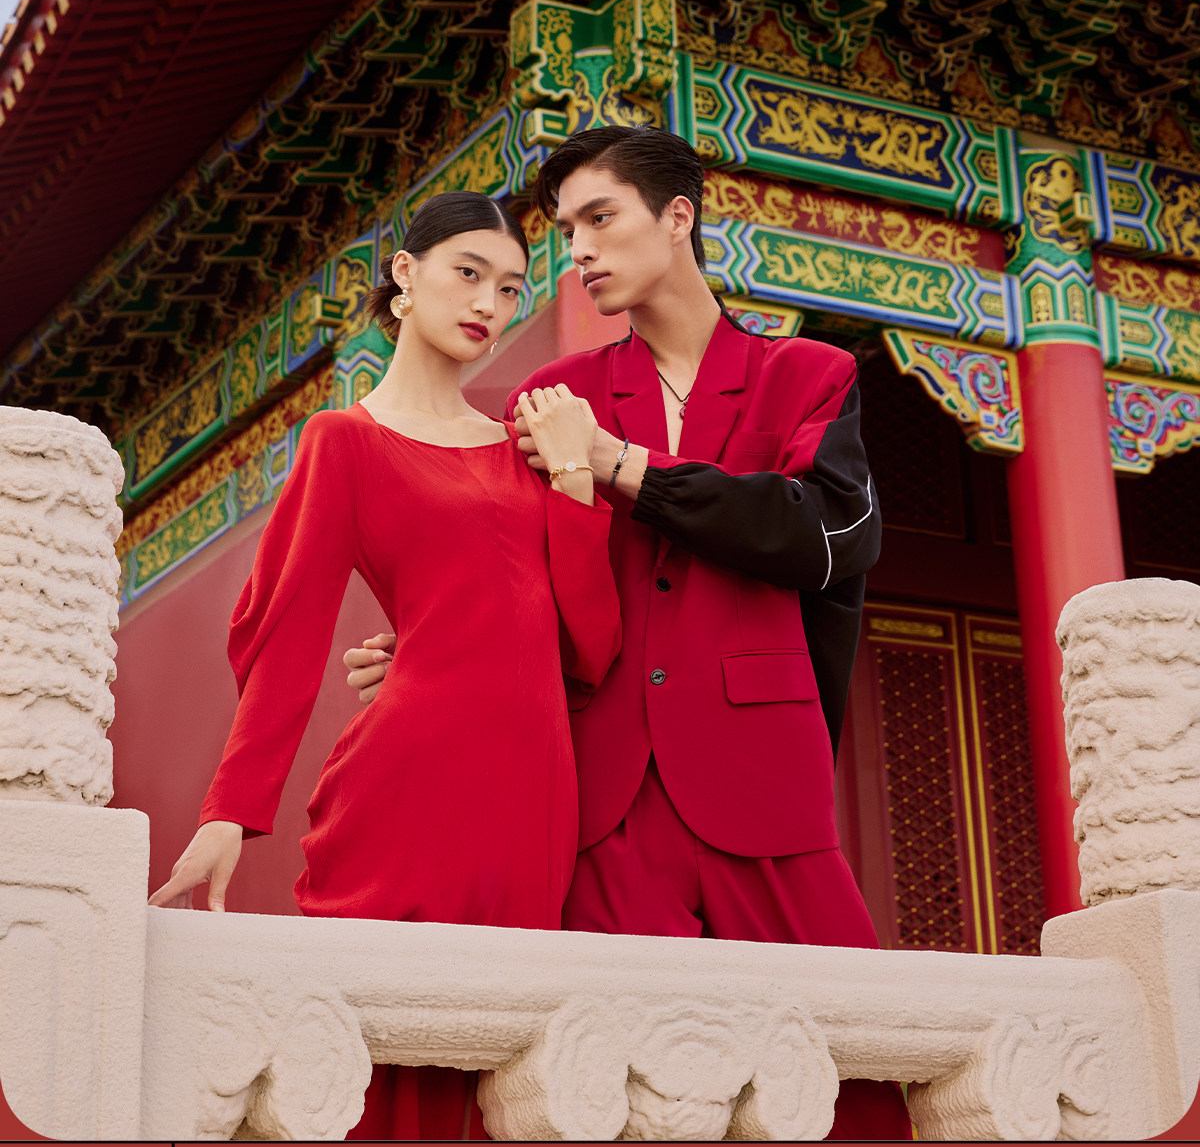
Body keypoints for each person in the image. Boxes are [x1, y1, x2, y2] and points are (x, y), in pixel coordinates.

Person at [347, 127, 912, 1142]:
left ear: (677, 216)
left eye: (600, 218)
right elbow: (529, 576)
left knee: (855, 1086)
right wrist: (436, 648)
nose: (580, 250)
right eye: (568, 230)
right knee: (599, 1096)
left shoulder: (807, 375)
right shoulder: (551, 399)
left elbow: (829, 536)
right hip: (603, 796)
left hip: (765, 782)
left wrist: (622, 465)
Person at [149, 189, 622, 1142]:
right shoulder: (345, 442)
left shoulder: (529, 451)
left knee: (499, 1077)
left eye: (511, 287)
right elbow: (286, 633)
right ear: (405, 274)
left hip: (530, 799)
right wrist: (229, 813)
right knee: (373, 1075)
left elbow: (591, 641)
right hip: (406, 793)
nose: (489, 303)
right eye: (468, 273)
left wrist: (576, 480)